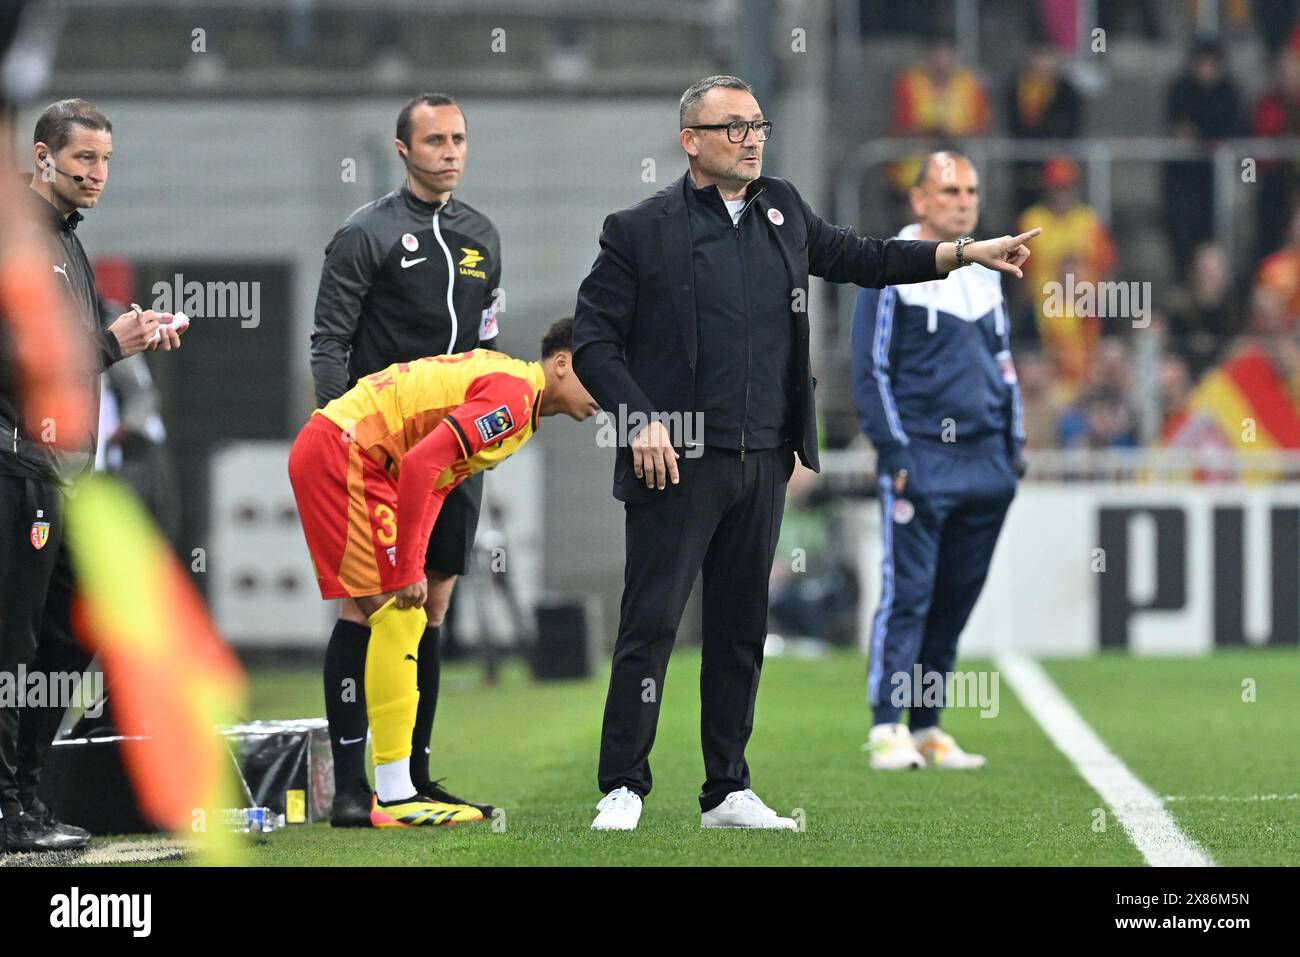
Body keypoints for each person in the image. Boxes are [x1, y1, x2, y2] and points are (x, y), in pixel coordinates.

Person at [573, 76, 1037, 831]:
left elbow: (863, 257)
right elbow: (592, 342)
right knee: (651, 623)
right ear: (691, 140)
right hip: (678, 457)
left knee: (739, 627)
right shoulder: (639, 230)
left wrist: (961, 253)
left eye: (758, 124)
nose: (753, 137)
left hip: (764, 456)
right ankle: (623, 783)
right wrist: (641, 420)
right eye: (734, 127)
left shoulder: (782, 207)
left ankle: (726, 788)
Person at [288, 319, 597, 827]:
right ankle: (395, 795)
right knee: (399, 617)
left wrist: (413, 560)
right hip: (348, 453)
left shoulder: (519, 398)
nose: (606, 393)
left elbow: (436, 480)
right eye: (600, 373)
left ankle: (389, 790)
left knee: (395, 615)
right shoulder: (516, 399)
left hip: (346, 450)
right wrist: (409, 565)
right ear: (561, 363)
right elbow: (421, 465)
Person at [310, 92, 505, 825]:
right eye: (434, 141)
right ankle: (352, 789)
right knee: (366, 606)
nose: (450, 151)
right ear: (403, 150)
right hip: (381, 450)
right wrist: (345, 432)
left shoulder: (482, 233)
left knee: (432, 608)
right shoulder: (365, 234)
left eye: (458, 138)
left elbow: (487, 340)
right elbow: (328, 341)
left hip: (456, 452)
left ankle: (414, 777)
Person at [0, 96, 184, 854]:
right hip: (13, 465)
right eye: (83, 158)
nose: (97, 173)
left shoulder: (67, 244)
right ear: (43, 157)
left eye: (106, 159)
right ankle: (8, 806)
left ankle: (26, 794)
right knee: (11, 645)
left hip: (56, 471)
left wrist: (125, 336)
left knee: (83, 617)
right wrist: (109, 344)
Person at [852, 152, 1025, 771]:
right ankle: (884, 727)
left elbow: (1005, 366)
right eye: (949, 190)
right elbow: (868, 370)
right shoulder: (891, 267)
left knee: (955, 599)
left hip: (986, 464)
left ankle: (926, 726)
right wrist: (896, 452)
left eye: (972, 190)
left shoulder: (986, 271)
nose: (963, 200)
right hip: (922, 455)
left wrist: (1015, 447)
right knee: (909, 594)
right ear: (919, 201)